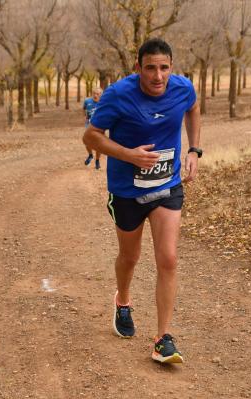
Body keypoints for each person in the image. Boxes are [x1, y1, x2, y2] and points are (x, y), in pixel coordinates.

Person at [83, 38, 202, 364]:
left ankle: (163, 338)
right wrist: (128, 154)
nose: (158, 75)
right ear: (138, 68)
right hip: (127, 191)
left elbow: (193, 108)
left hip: (167, 186)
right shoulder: (118, 95)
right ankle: (122, 301)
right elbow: (90, 136)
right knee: (130, 256)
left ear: (172, 68)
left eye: (164, 68)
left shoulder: (182, 88)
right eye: (150, 68)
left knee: (168, 258)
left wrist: (193, 150)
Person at [83, 88, 103, 169]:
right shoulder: (87, 101)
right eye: (94, 93)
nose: (95, 95)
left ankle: (97, 161)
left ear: (101, 95)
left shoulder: (103, 103)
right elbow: (84, 109)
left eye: (98, 94)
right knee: (87, 141)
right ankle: (90, 155)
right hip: (89, 125)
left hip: (100, 126)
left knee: (99, 145)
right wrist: (86, 117)